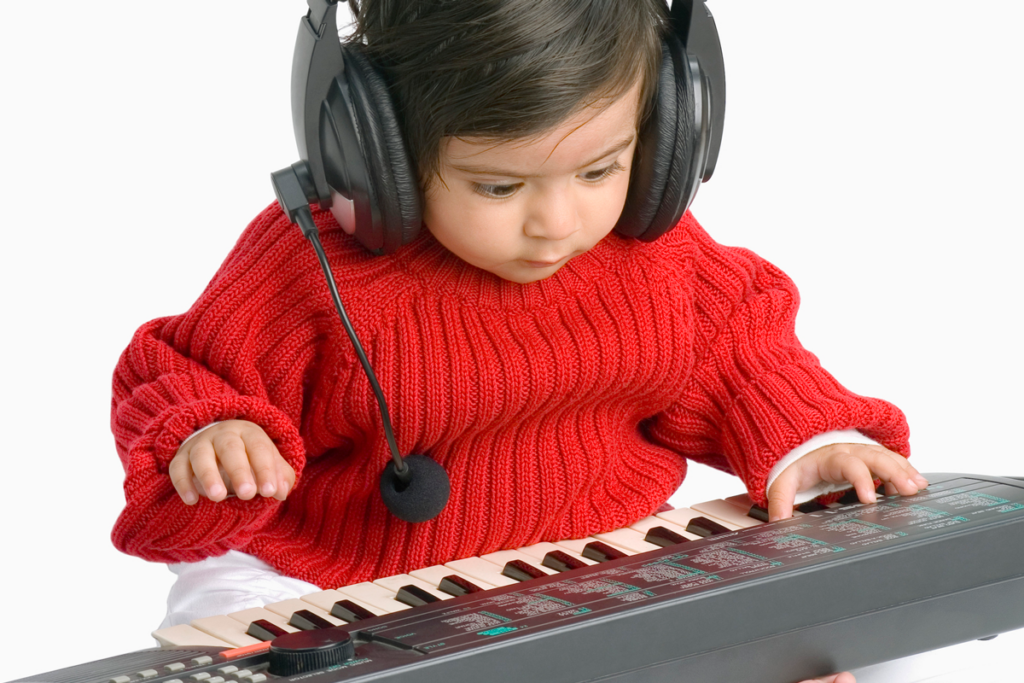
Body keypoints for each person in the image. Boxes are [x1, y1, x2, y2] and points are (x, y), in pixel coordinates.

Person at [110, 2, 924, 681]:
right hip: (332, 577)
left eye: (599, 171)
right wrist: (214, 431)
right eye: (498, 186)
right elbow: (183, 371)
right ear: (374, 154)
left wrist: (812, 441)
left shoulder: (653, 256)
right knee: (227, 632)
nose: (557, 223)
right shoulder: (314, 266)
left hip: (601, 558)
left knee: (850, 639)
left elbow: (741, 357)